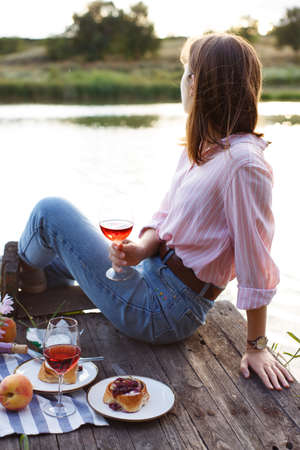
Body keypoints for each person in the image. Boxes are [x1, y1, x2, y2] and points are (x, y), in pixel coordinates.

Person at [18, 33, 294, 391]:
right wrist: (139, 249)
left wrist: (256, 346)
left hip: (165, 312)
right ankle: (32, 276)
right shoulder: (203, 149)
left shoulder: (243, 163)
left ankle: (21, 270)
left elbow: (255, 260)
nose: (182, 80)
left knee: (49, 212)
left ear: (197, 84)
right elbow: (164, 217)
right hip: (150, 272)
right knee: (57, 253)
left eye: (185, 71)